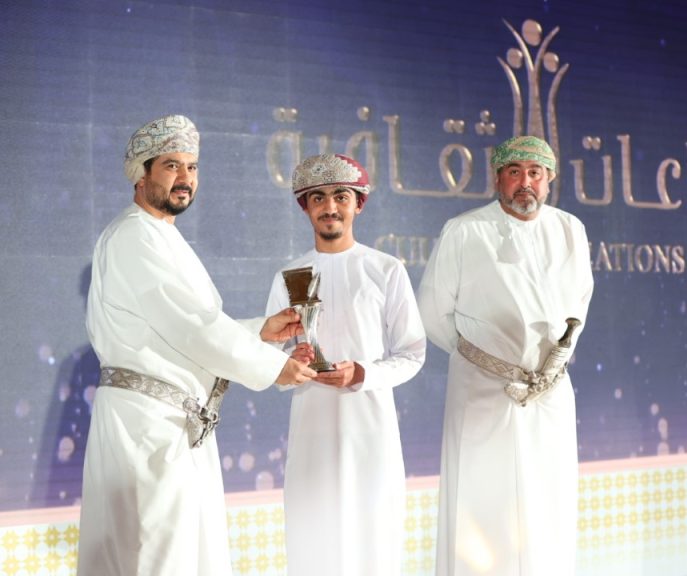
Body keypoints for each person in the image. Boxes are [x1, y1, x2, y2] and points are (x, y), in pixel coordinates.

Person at [78, 114, 318, 576]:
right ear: (142, 174)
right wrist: (273, 366)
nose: (185, 178)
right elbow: (192, 327)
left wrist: (259, 331)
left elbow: (181, 327)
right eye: (172, 166)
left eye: (192, 167)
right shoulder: (134, 235)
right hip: (146, 427)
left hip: (172, 425)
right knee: (155, 556)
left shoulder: (160, 235)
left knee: (181, 555)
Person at [418, 135, 594, 575]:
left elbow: (579, 301)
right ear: (498, 178)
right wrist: (489, 361)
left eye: (535, 173)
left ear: (549, 179)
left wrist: (546, 369)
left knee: (548, 503)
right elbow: (433, 312)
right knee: (483, 503)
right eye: (514, 172)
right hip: (482, 389)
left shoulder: (570, 228)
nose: (525, 183)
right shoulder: (464, 230)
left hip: (550, 391)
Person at [265, 153, 426, 575]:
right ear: (305, 207)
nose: (330, 206)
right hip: (311, 428)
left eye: (341, 196)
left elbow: (412, 354)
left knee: (373, 539)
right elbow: (270, 358)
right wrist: (289, 365)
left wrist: (363, 373)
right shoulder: (290, 275)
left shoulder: (385, 269)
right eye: (318, 197)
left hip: (370, 427)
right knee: (313, 541)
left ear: (358, 204)